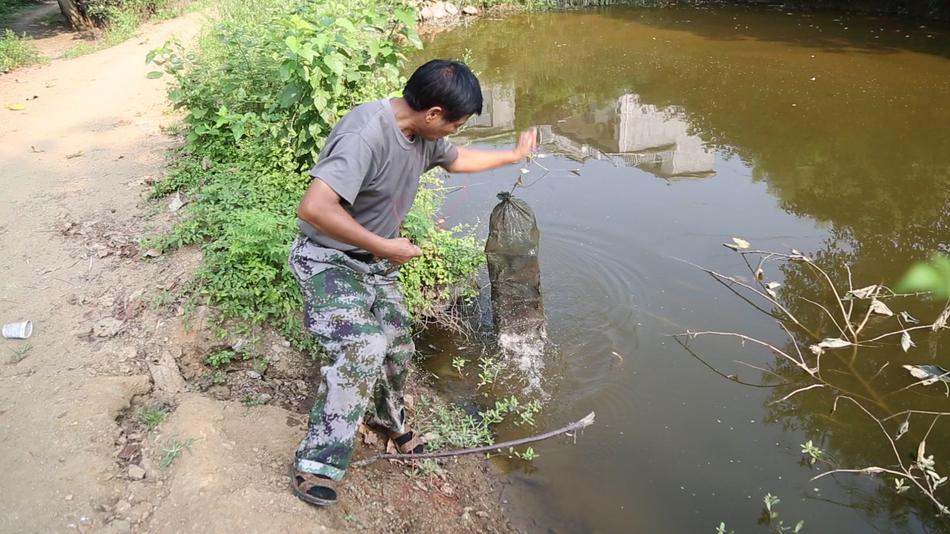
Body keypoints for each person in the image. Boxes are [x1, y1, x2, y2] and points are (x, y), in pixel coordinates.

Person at [288, 59, 537, 506]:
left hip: (374, 262)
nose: (455, 134)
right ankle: (317, 463)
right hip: (328, 259)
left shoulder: (421, 134)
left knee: (398, 344)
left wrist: (513, 156)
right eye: (456, 124)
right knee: (362, 345)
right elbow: (315, 208)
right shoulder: (365, 133)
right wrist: (386, 246)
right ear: (434, 114)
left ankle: (388, 420)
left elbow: (458, 160)